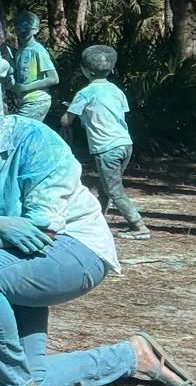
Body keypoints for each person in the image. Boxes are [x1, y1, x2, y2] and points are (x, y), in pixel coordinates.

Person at [0, 56, 196, 386]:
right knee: (34, 372)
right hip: (7, 260)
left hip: (72, 249)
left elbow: (41, 231)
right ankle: (132, 356)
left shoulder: (33, 139)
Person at [61, 44, 151, 240]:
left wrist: (75, 112)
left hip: (105, 146)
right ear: (111, 69)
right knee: (105, 186)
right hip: (124, 144)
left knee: (113, 189)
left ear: (85, 70)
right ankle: (99, 222)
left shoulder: (85, 93)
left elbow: (66, 121)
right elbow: (118, 114)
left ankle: (138, 225)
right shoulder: (117, 91)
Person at [10, 9, 58, 121]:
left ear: (35, 30)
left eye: (26, 28)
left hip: (37, 100)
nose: (22, 31)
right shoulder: (20, 51)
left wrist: (25, 88)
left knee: (21, 129)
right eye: (18, 28)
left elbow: (54, 78)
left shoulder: (38, 50)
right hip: (26, 100)